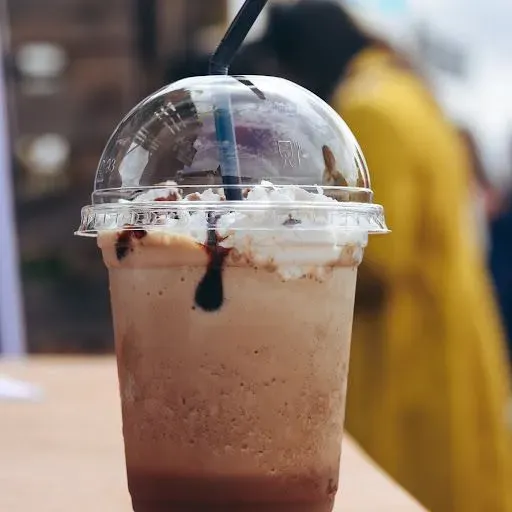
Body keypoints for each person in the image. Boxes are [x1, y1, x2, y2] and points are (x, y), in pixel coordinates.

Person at [262, 2, 512, 511]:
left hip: (407, 356)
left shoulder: (367, 109)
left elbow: (374, 262)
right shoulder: (405, 92)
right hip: (448, 336)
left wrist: (272, 274)